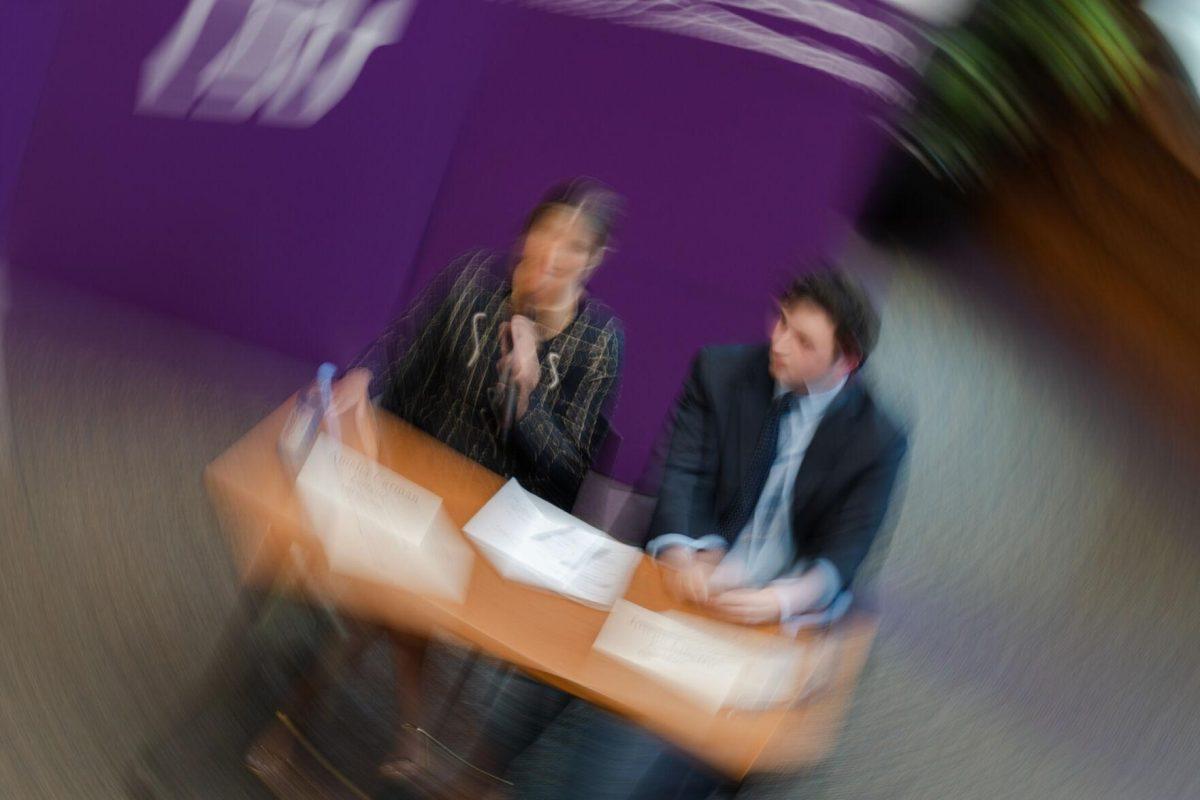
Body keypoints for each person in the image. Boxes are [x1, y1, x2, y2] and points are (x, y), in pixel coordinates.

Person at [243, 179, 625, 795]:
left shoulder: (599, 342)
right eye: (545, 233)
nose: (552, 255)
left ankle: (302, 719)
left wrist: (527, 394)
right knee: (397, 568)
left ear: (595, 259)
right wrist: (364, 385)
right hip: (412, 483)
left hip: (500, 523)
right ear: (526, 233)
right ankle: (410, 735)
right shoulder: (473, 282)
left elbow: (568, 469)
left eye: (573, 245)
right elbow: (403, 353)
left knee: (392, 582)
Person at [538, 265, 910, 800]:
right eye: (780, 321)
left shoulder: (879, 439)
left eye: (803, 340)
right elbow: (679, 473)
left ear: (846, 362)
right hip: (694, 592)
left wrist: (776, 601)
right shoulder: (721, 370)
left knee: (698, 757)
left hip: (781, 617)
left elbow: (846, 552)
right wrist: (686, 553)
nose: (778, 343)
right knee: (606, 761)